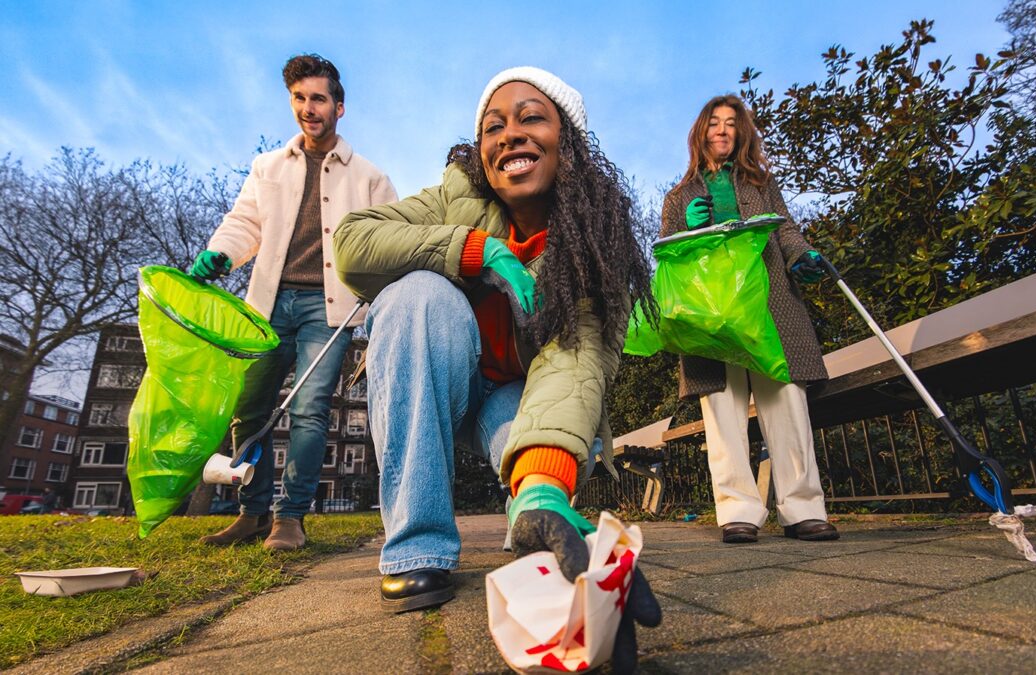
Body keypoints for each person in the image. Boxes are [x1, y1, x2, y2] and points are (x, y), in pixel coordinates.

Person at [334, 66, 660, 668]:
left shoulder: (594, 243)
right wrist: (472, 249)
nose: (509, 134)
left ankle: (535, 519)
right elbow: (354, 242)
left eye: (531, 118)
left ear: (570, 144)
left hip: (520, 398)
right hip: (440, 380)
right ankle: (417, 548)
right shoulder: (456, 197)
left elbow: (573, 368)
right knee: (415, 294)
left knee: (546, 465)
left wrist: (541, 484)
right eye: (493, 126)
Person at [194, 54, 398, 550]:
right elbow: (245, 222)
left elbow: (391, 239)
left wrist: (377, 302)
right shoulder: (267, 167)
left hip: (327, 310)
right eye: (300, 98)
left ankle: (291, 518)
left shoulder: (369, 177)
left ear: (339, 107)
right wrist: (221, 253)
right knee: (250, 409)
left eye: (319, 99)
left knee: (308, 410)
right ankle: (252, 513)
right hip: (266, 306)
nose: (309, 108)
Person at [660, 95, 838, 544]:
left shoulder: (760, 183)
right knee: (723, 408)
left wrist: (801, 255)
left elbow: (785, 228)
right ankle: (738, 510)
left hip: (769, 303)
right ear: (701, 134)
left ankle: (803, 509)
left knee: (786, 402)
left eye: (731, 124)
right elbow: (667, 254)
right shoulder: (678, 196)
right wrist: (686, 226)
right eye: (714, 124)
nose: (722, 130)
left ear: (741, 134)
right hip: (711, 313)